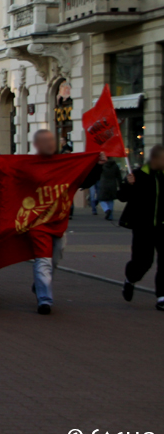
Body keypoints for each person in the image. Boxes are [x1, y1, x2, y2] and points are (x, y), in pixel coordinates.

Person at [30, 129, 105, 315]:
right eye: (44, 141)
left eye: (51, 140)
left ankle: (40, 285)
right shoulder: (30, 165)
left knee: (55, 257)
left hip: (59, 222)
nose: (49, 144)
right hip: (38, 222)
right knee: (43, 260)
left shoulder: (65, 164)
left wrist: (98, 165)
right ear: (37, 145)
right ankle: (44, 300)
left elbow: (84, 180)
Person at [118, 145, 164, 311]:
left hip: (162, 226)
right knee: (143, 261)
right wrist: (127, 184)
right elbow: (122, 197)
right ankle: (130, 279)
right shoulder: (138, 175)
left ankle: (161, 296)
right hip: (143, 227)